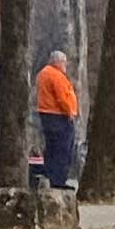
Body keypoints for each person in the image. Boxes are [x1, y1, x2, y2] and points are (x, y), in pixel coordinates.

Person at [34, 50, 81, 192]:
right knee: (63, 149)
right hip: (58, 116)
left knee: (52, 148)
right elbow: (61, 97)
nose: (65, 65)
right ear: (58, 62)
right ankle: (59, 180)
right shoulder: (56, 75)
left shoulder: (43, 74)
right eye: (64, 62)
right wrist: (69, 112)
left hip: (48, 115)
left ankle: (51, 177)